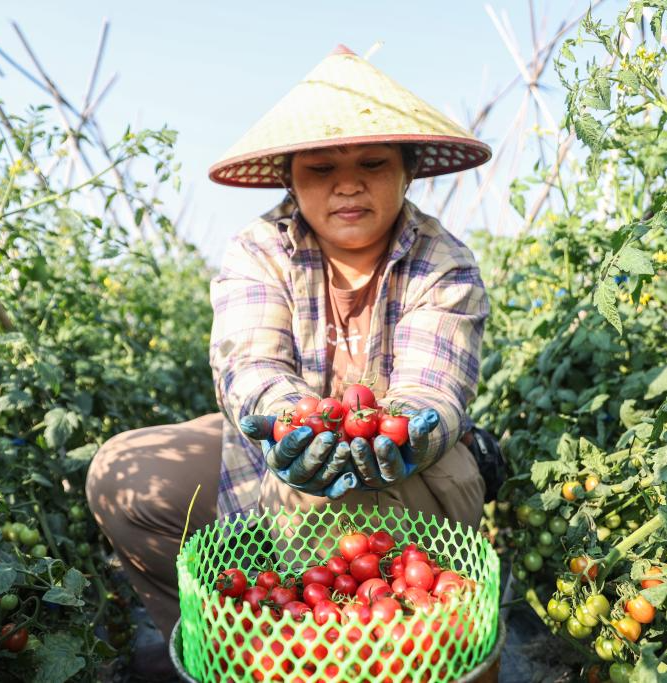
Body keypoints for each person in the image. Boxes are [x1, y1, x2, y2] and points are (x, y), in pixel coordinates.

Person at [85, 44, 496, 681]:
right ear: (289, 178)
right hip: (280, 459)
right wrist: (287, 420)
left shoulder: (442, 262)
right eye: (321, 167)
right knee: (122, 472)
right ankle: (235, 648)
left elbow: (432, 387)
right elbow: (250, 364)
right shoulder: (259, 250)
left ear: (408, 170)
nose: (348, 185)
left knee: (330, 514)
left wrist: (409, 429)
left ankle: (367, 647)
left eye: (373, 163)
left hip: (412, 472)